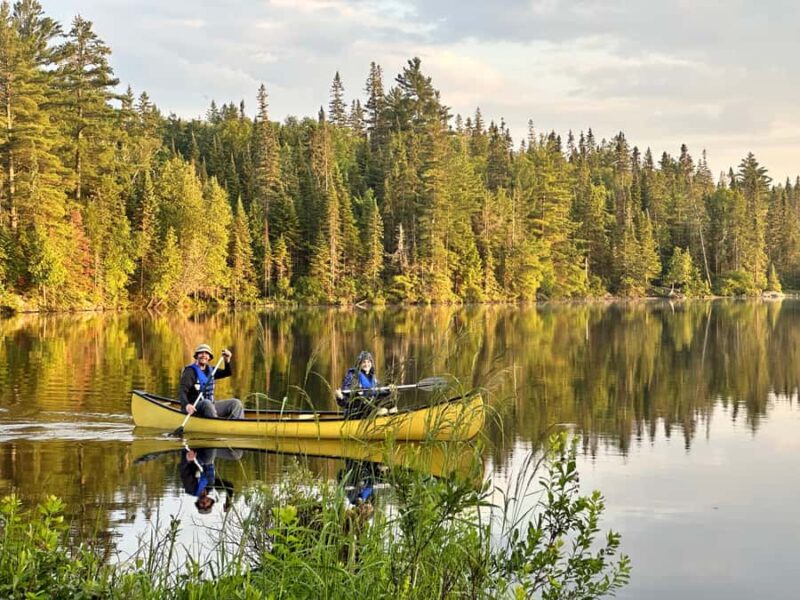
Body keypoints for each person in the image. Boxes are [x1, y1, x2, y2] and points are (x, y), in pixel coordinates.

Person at [179, 343, 244, 419]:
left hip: (211, 406)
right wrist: (187, 405)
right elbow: (182, 391)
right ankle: (217, 425)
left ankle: (233, 424)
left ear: (209, 357)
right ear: (196, 356)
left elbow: (228, 372)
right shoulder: (190, 372)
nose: (204, 355)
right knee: (207, 403)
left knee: (236, 403)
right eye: (201, 353)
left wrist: (227, 360)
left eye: (206, 353)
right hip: (194, 407)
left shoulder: (211, 370)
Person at [335, 351, 395, 418]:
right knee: (373, 407)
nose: (366, 364)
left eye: (368, 362)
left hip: (368, 408)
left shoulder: (373, 378)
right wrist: (341, 397)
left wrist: (389, 390)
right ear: (359, 364)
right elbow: (345, 399)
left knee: (391, 404)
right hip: (355, 411)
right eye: (364, 362)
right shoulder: (352, 376)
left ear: (371, 364)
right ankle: (376, 413)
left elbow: (379, 392)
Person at [179, 446, 239, 514]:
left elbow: (183, 470)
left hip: (195, 453)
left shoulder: (191, 488)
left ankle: (212, 440)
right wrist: (228, 503)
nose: (205, 502)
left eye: (202, 504)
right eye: (207, 502)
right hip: (208, 454)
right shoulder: (210, 487)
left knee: (208, 459)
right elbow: (229, 486)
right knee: (237, 455)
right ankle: (213, 443)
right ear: (211, 500)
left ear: (198, 502)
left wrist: (187, 459)